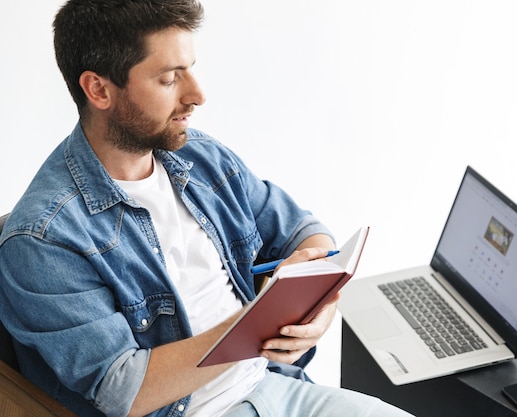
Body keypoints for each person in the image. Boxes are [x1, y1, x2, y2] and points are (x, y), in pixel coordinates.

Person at [0, 1, 414, 416]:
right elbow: (124, 388)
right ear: (99, 89)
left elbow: (302, 231)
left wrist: (320, 308)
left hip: (273, 385)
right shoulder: (43, 238)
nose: (197, 95)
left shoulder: (199, 156)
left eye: (190, 69)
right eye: (168, 79)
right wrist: (260, 323)